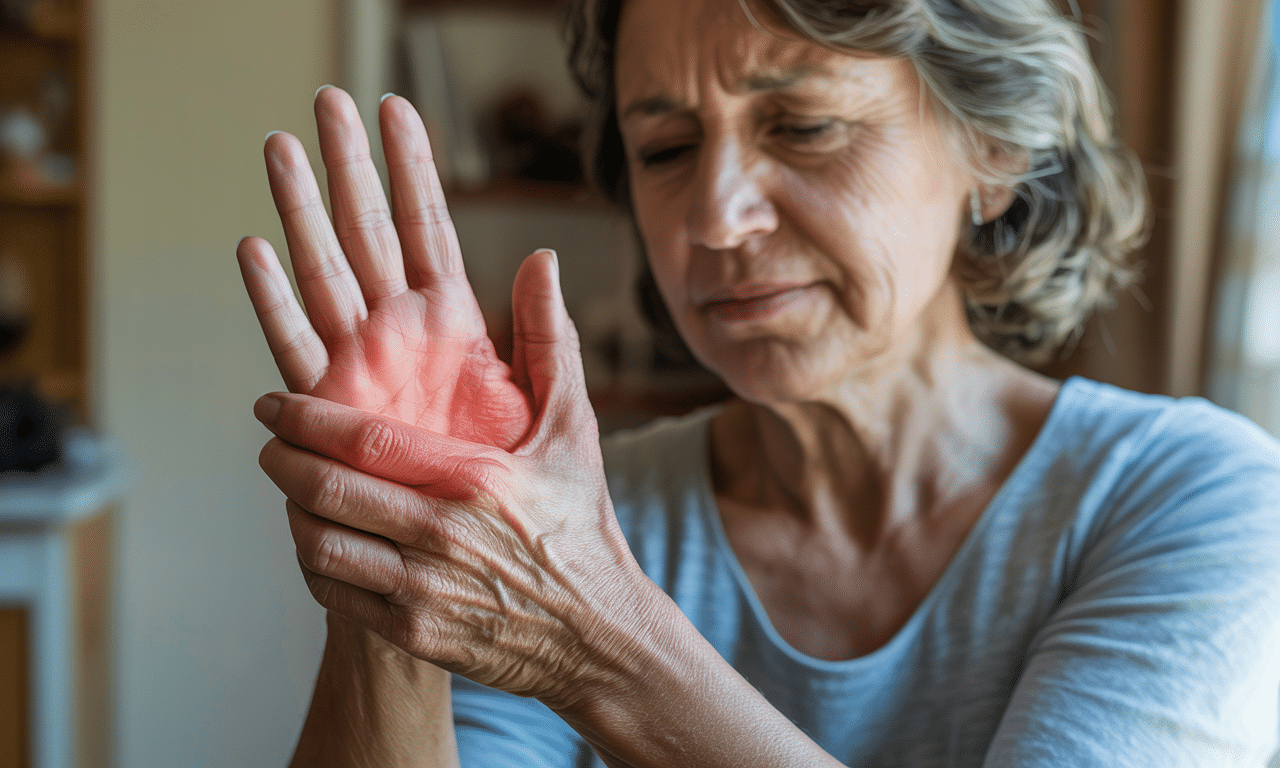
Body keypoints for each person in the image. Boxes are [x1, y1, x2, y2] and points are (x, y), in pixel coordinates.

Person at [236, 0, 1280, 764]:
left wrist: (600, 641)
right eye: (666, 147)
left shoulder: (1195, 496)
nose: (712, 219)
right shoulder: (572, 520)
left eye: (802, 127)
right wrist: (403, 558)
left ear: (992, 151)